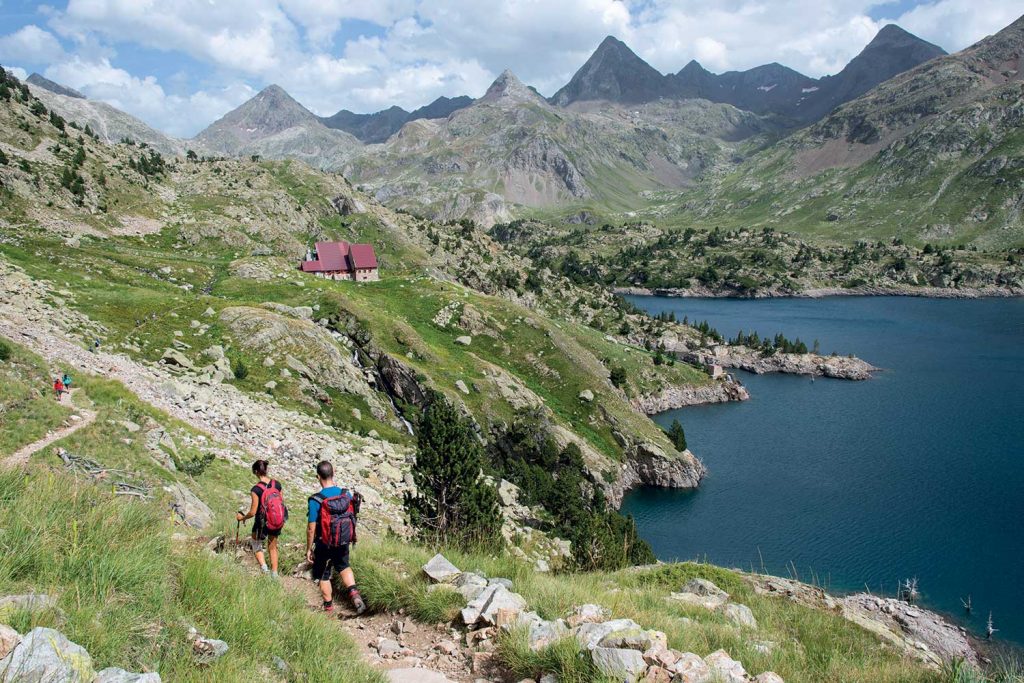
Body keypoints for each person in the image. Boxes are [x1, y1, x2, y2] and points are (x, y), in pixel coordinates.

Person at [306, 460, 366, 614]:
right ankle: (354, 594)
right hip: (343, 539)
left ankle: (329, 609)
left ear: (318, 476)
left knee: (324, 575)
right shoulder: (345, 494)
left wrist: (309, 548)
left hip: (324, 543)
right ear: (334, 473)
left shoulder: (315, 500)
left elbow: (311, 528)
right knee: (344, 566)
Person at [236, 459, 286, 577]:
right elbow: (282, 503)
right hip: (276, 520)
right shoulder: (277, 484)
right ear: (266, 470)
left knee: (256, 543)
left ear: (256, 472)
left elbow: (253, 512)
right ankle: (274, 574)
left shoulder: (256, 489)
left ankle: (264, 569)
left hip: (261, 522)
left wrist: (242, 518)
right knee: (273, 547)